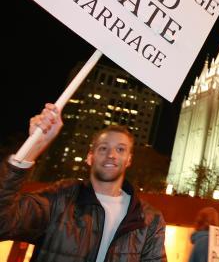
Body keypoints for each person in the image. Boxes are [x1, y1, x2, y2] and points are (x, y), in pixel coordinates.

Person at [0, 103, 167, 262]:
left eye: (120, 149)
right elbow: (4, 223)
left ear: (129, 160)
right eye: (103, 148)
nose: (111, 154)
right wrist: (34, 147)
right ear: (89, 157)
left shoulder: (150, 219)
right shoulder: (61, 198)